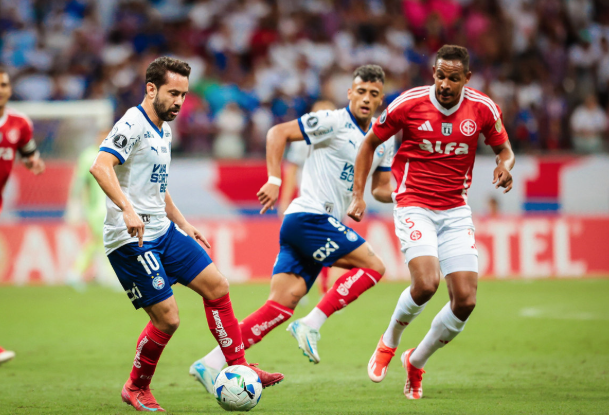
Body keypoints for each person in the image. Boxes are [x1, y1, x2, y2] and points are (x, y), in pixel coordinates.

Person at [89, 57, 283, 413]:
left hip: (163, 230)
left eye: (183, 94)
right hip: (131, 238)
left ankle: (239, 366)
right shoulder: (132, 122)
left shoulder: (164, 129)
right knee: (168, 318)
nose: (179, 101)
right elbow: (100, 166)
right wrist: (127, 209)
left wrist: (183, 223)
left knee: (217, 286)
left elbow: (157, 188)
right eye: (173, 93)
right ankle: (136, 387)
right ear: (151, 89)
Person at [190, 65, 395, 394]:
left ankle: (210, 362)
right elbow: (277, 133)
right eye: (360, 91)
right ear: (349, 94)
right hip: (310, 217)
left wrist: (408, 192)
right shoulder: (332, 121)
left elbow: (381, 188)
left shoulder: (383, 139)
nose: (366, 99)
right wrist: (274, 180)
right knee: (374, 266)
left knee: (281, 304)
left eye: (373, 94)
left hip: (314, 225)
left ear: (381, 99)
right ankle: (312, 322)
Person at [347, 45, 515, 400]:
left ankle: (416, 361)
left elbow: (505, 149)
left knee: (465, 300)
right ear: (433, 74)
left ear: (467, 78)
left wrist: (504, 166)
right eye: (440, 76)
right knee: (426, 284)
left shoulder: (483, 108)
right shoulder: (409, 103)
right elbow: (368, 144)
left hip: (455, 209)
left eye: (453, 78)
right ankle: (389, 340)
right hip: (414, 204)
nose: (445, 84)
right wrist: (358, 195)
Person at [0, 66, 46, 366]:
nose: (0, 90)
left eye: (4, 84)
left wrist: (34, 163)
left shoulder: (19, 123)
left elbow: (29, 154)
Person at [277, 99, 340, 294]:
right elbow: (292, 170)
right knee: (304, 244)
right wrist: (285, 200)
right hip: (308, 199)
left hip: (333, 199)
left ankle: (324, 288)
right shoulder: (303, 139)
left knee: (330, 243)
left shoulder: (341, 140)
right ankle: (296, 284)